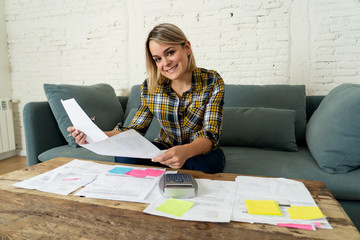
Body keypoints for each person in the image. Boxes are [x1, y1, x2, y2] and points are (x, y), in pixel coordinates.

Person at [68, 23, 225, 174]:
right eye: (158, 59)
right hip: (164, 148)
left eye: (170, 52)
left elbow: (210, 133)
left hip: (198, 152)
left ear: (187, 47)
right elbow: (136, 130)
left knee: (208, 164)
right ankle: (167, 170)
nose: (165, 63)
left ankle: (171, 169)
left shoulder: (211, 81)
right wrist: (94, 136)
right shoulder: (150, 87)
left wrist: (185, 151)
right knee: (124, 156)